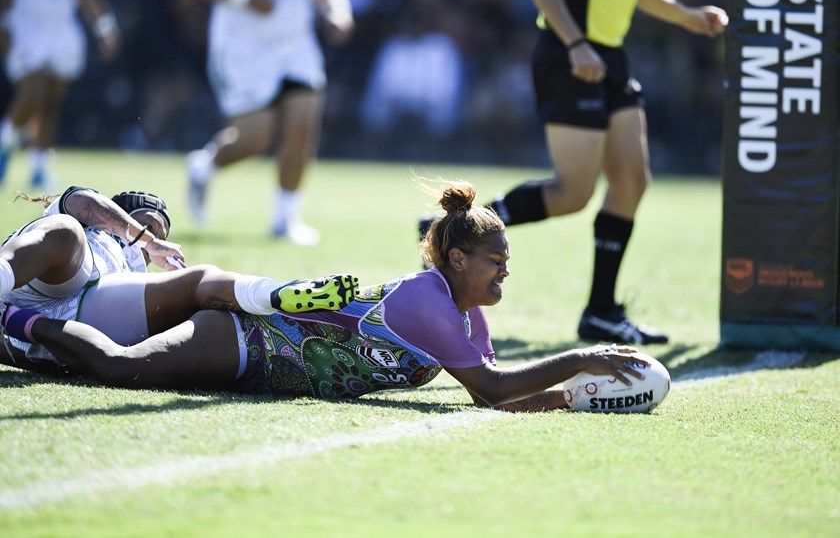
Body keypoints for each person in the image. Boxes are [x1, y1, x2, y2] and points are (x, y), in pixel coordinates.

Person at [1, 181, 650, 412]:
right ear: (457, 258)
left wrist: (567, 395)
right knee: (119, 368)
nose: (506, 273)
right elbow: (489, 388)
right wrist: (580, 357)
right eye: (497, 262)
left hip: (267, 370)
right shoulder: (428, 298)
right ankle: (14, 320)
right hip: (249, 339)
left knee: (119, 363)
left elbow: (495, 390)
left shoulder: (465, 310)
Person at [470, 0, 728, 345]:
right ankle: (454, 230)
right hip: (570, 56)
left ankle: (601, 313)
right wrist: (576, 43)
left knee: (632, 181)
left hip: (610, 58)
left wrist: (686, 16)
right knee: (573, 194)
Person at [0, 185, 358, 371]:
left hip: (87, 314)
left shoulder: (131, 274)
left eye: (161, 230)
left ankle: (279, 295)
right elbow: (83, 201)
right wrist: (149, 239)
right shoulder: (91, 219)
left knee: (198, 280)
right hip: (43, 281)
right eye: (149, 221)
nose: (157, 233)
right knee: (65, 232)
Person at [186, 0, 354, 245]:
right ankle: (205, 165)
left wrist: (338, 8)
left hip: (295, 45)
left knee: (302, 126)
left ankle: (285, 221)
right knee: (256, 138)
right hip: (242, 46)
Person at [0, 0, 121, 188]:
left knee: (51, 101)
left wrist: (104, 25)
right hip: (24, 25)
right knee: (32, 94)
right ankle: (5, 143)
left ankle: (38, 167)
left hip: (62, 26)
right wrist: (4, 23)